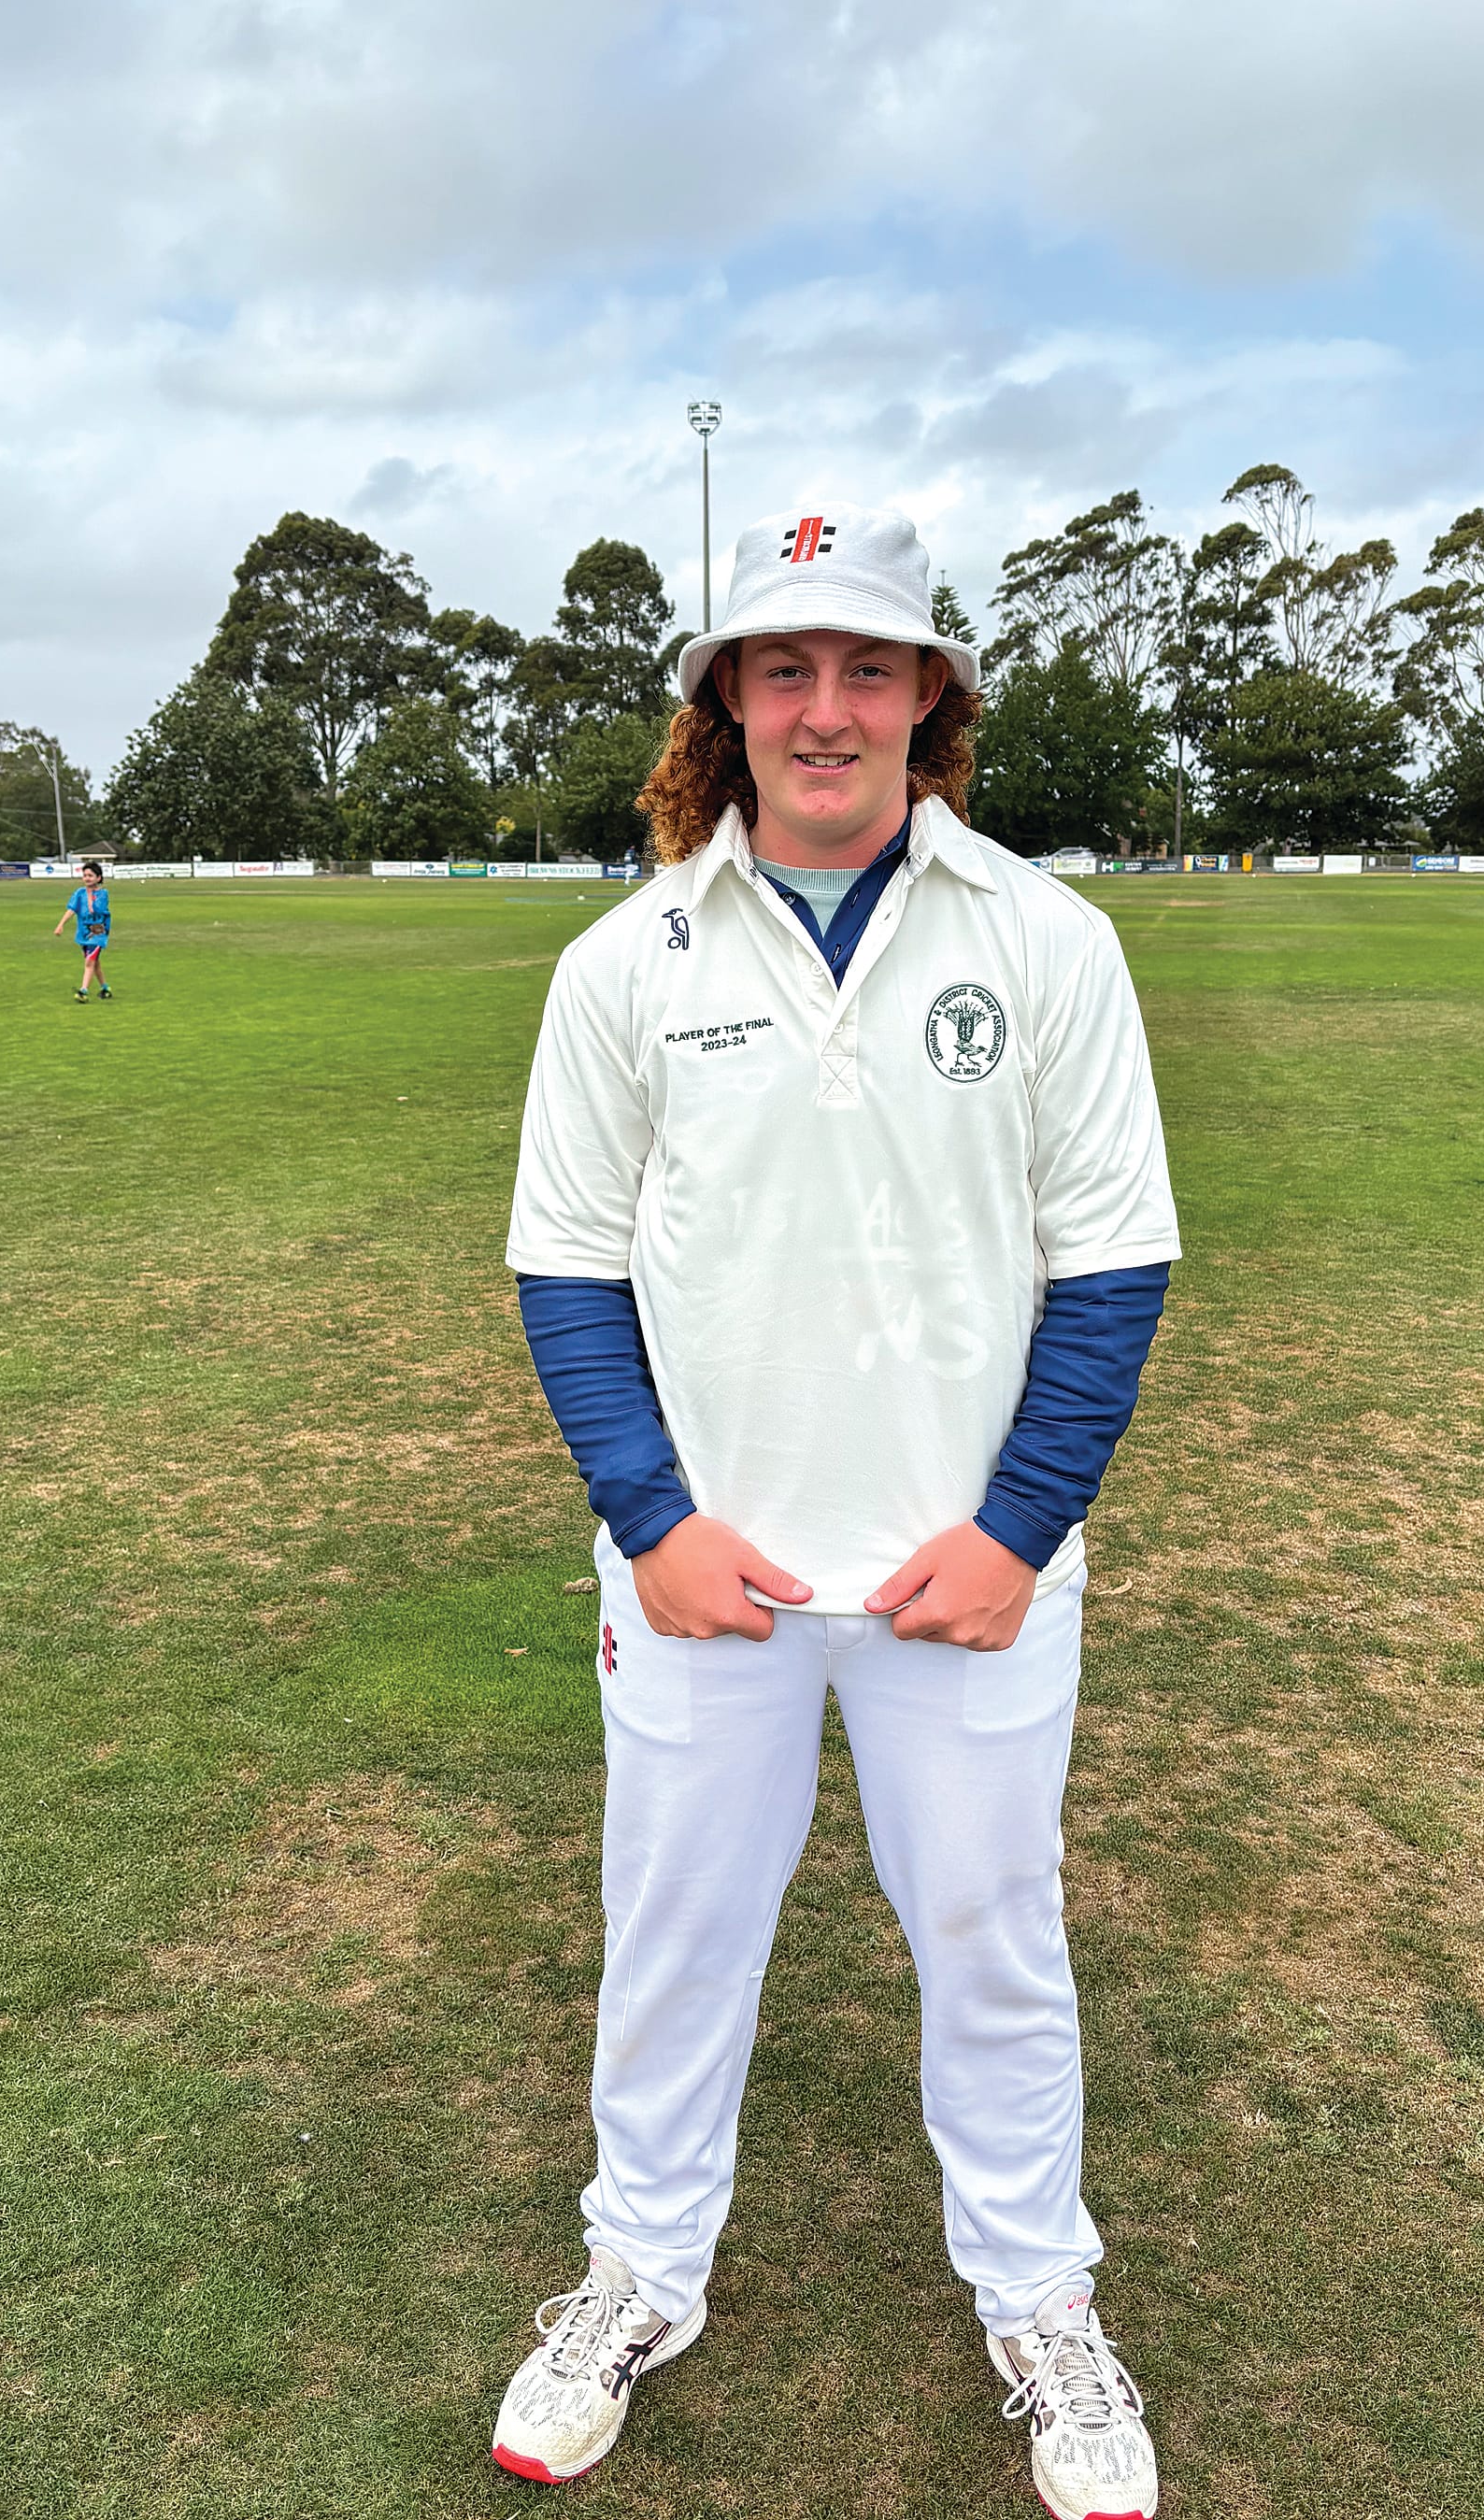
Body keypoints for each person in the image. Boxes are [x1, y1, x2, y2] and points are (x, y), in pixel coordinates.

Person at [498, 504, 1180, 2520]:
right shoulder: (625, 961)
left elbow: (1109, 1264)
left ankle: (1039, 2299)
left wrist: (1013, 1526)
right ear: (724, 698)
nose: (822, 706)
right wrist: (649, 1517)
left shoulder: (1042, 938)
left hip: (962, 1580)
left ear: (926, 700)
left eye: (863, 667)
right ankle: (635, 2272)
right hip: (705, 1576)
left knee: (988, 1937)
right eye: (778, 667)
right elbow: (565, 1265)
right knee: (675, 1935)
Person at [54, 861, 112, 998]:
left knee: (89, 962)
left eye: (90, 875)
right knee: (94, 962)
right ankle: (105, 988)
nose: (87, 878)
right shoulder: (79, 893)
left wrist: (91, 899)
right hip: (83, 931)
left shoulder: (103, 894)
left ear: (98, 878)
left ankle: (83, 991)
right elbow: (72, 909)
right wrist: (61, 924)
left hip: (98, 930)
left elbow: (97, 910)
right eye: (85, 875)